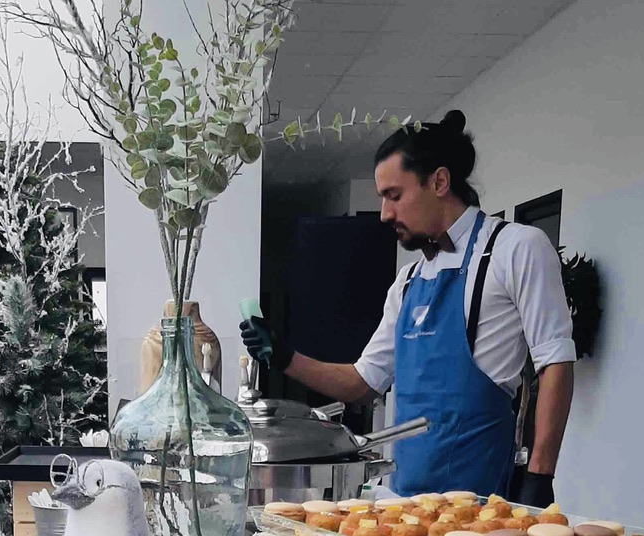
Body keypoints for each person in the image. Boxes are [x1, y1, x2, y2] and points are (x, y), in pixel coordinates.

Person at [241, 110, 575, 506]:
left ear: (439, 181)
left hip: (482, 506)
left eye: (393, 196)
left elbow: (555, 362)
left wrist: (540, 475)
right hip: (404, 505)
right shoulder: (408, 280)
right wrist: (283, 355)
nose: (384, 214)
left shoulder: (516, 249)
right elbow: (362, 383)